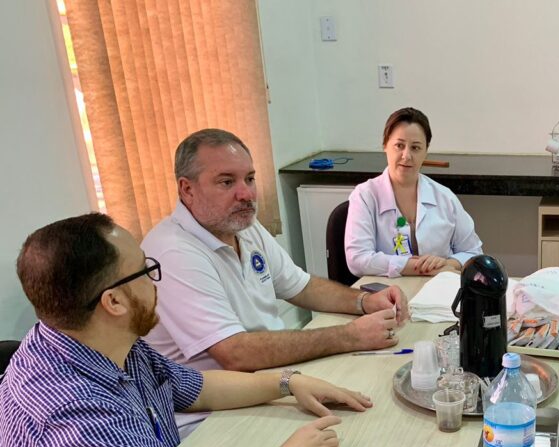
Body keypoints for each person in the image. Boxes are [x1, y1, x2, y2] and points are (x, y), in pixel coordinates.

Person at [0, 213, 373, 447]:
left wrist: (287, 382)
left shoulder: (104, 341)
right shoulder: (65, 407)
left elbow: (197, 387)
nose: (155, 281)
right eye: (145, 271)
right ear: (113, 301)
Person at [143, 128, 408, 375]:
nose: (246, 194)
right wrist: (350, 336)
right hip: (221, 401)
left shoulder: (243, 227)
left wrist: (364, 301)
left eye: (249, 179)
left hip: (268, 377)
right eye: (226, 182)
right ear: (187, 189)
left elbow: (302, 287)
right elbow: (235, 353)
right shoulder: (172, 253)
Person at [345, 107, 484, 278]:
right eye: (399, 146)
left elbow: (474, 252)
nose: (406, 155)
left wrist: (447, 264)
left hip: (436, 286)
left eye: (415, 148)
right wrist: (417, 267)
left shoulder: (445, 197)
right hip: (385, 290)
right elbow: (357, 259)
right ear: (385, 145)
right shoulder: (365, 196)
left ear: (426, 151)